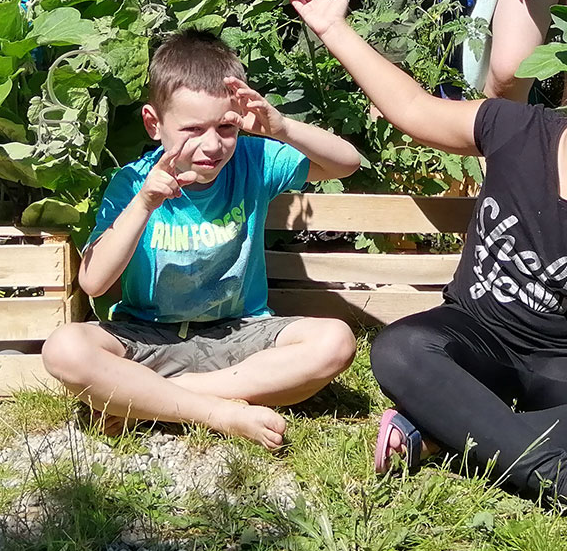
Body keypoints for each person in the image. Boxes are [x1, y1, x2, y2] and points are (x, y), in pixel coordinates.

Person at [294, 0, 567, 551]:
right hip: (474, 339)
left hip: (566, 369)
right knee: (402, 350)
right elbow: (413, 111)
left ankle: (441, 431)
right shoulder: (515, 129)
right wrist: (334, 29)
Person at [40, 32, 363, 451]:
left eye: (226, 127)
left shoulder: (255, 160)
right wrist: (144, 204)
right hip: (146, 334)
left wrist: (281, 127)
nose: (212, 145)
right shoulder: (134, 183)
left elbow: (346, 163)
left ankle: (155, 397)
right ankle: (222, 414)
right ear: (154, 124)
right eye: (192, 129)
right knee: (64, 348)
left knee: (335, 341)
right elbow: (94, 283)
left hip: (241, 335)